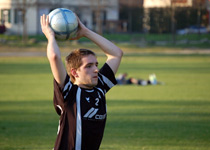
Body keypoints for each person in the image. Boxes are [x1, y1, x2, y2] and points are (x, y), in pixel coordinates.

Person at [40, 14, 123, 150]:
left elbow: (116, 54)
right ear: (74, 72)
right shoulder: (69, 93)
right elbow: (54, 57)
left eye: (96, 64)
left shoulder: (99, 88)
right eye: (89, 66)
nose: (96, 69)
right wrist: (50, 37)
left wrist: (86, 32)